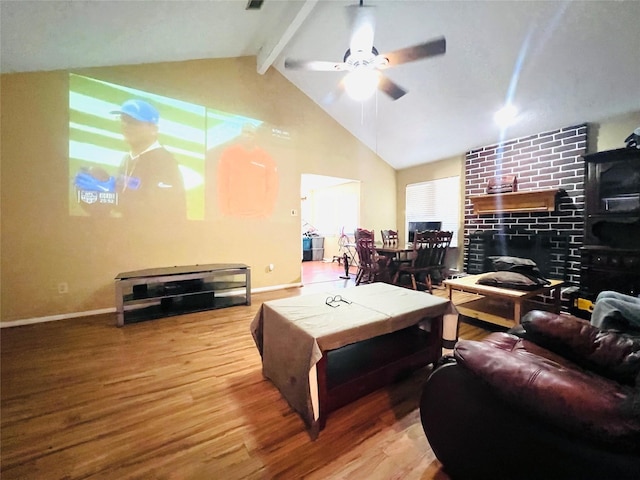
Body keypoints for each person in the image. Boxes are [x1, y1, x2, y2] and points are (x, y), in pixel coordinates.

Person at [75, 99, 186, 220]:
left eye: (133, 121)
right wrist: (104, 189)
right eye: (124, 120)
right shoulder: (128, 158)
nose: (126, 126)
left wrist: (112, 196)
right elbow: (130, 195)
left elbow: (159, 213)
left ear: (153, 129)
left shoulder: (164, 162)